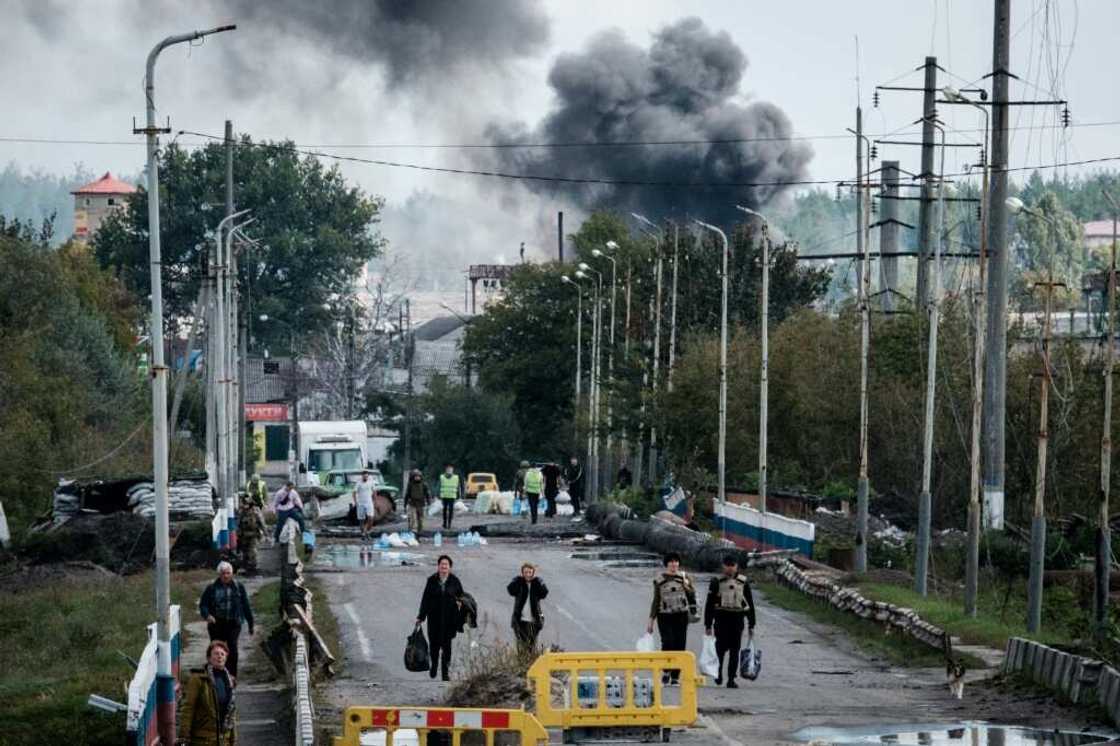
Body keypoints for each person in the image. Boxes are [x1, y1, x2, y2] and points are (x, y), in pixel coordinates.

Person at [704, 555, 756, 688]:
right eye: (728, 565)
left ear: (736, 566)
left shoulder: (743, 582)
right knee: (719, 651)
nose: (730, 568)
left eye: (732, 565)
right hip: (721, 619)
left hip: (737, 619)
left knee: (735, 651)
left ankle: (731, 679)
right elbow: (709, 604)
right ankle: (718, 674)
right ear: (723, 566)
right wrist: (708, 624)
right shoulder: (716, 582)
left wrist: (752, 623)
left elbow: (749, 603)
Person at [647, 552, 697, 686]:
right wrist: (651, 621)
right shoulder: (659, 580)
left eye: (676, 561)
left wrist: (687, 585)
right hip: (664, 615)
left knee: (680, 645)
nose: (674, 564)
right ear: (667, 564)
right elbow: (656, 600)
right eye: (671, 562)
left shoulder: (685, 577)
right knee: (668, 642)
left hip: (681, 615)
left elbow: (692, 594)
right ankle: (666, 670)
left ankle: (675, 676)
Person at [199, 561, 255, 678]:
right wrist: (207, 615)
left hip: (233, 622)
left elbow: (245, 605)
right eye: (223, 573)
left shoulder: (238, 587)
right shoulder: (212, 588)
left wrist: (251, 623)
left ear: (232, 574)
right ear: (219, 574)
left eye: (228, 573)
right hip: (217, 623)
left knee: (232, 648)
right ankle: (215, 674)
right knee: (216, 649)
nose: (226, 576)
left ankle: (231, 675)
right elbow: (203, 605)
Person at [415, 554, 465, 681]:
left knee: (447, 648)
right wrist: (421, 616)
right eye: (442, 564)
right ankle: (434, 665)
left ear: (450, 567)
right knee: (434, 646)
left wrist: (462, 609)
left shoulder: (455, 581)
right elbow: (425, 599)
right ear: (438, 566)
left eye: (446, 565)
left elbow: (462, 598)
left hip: (449, 620)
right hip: (434, 619)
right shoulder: (431, 580)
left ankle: (445, 672)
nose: (444, 566)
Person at [179, 640, 237, 745]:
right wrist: (184, 735)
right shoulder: (198, 679)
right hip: (203, 739)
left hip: (224, 740)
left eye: (222, 654)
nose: (219, 656)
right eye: (216, 653)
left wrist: (233, 739)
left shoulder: (230, 681)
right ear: (209, 658)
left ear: (226, 658)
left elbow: (232, 713)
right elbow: (188, 707)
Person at [507, 562, 549, 654]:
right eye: (525, 572)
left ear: (533, 573)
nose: (528, 575)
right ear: (522, 573)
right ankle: (521, 665)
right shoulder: (519, 583)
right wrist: (517, 580)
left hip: (534, 620)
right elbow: (510, 590)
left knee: (531, 646)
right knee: (521, 646)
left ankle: (529, 663)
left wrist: (538, 581)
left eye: (530, 572)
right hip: (520, 621)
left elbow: (544, 593)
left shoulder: (536, 583)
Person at [236, 494, 264, 572]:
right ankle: (246, 567)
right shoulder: (241, 512)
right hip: (244, 535)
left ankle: (253, 566)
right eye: (244, 503)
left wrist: (265, 533)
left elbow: (261, 522)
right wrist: (238, 534)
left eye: (247, 503)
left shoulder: (255, 511)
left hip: (253, 535)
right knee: (245, 552)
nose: (245, 505)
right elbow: (238, 524)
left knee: (252, 551)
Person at [405, 468, 431, 534]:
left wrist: (429, 502)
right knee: (412, 518)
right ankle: (413, 531)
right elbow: (407, 494)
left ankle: (420, 531)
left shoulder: (424, 484)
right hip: (412, 503)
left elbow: (427, 494)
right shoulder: (410, 484)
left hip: (421, 503)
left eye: (418, 476)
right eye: (416, 476)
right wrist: (405, 504)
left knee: (420, 519)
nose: (417, 478)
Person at [352, 470, 376, 541]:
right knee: (361, 520)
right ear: (362, 476)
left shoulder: (371, 482)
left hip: (369, 502)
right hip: (360, 503)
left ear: (368, 476)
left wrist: (375, 501)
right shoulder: (358, 483)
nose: (365, 478)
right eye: (364, 476)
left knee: (371, 518)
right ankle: (363, 534)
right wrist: (355, 502)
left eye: (366, 476)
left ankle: (367, 532)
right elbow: (354, 493)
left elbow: (374, 491)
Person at [438, 463, 462, 531]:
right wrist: (437, 495)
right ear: (446, 470)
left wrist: (459, 496)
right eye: (448, 469)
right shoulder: (442, 477)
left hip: (452, 496)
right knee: (444, 510)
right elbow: (439, 486)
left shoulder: (456, 477)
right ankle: (445, 523)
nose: (449, 470)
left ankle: (449, 524)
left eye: (451, 469)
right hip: (444, 496)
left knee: (451, 511)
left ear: (453, 470)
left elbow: (458, 487)